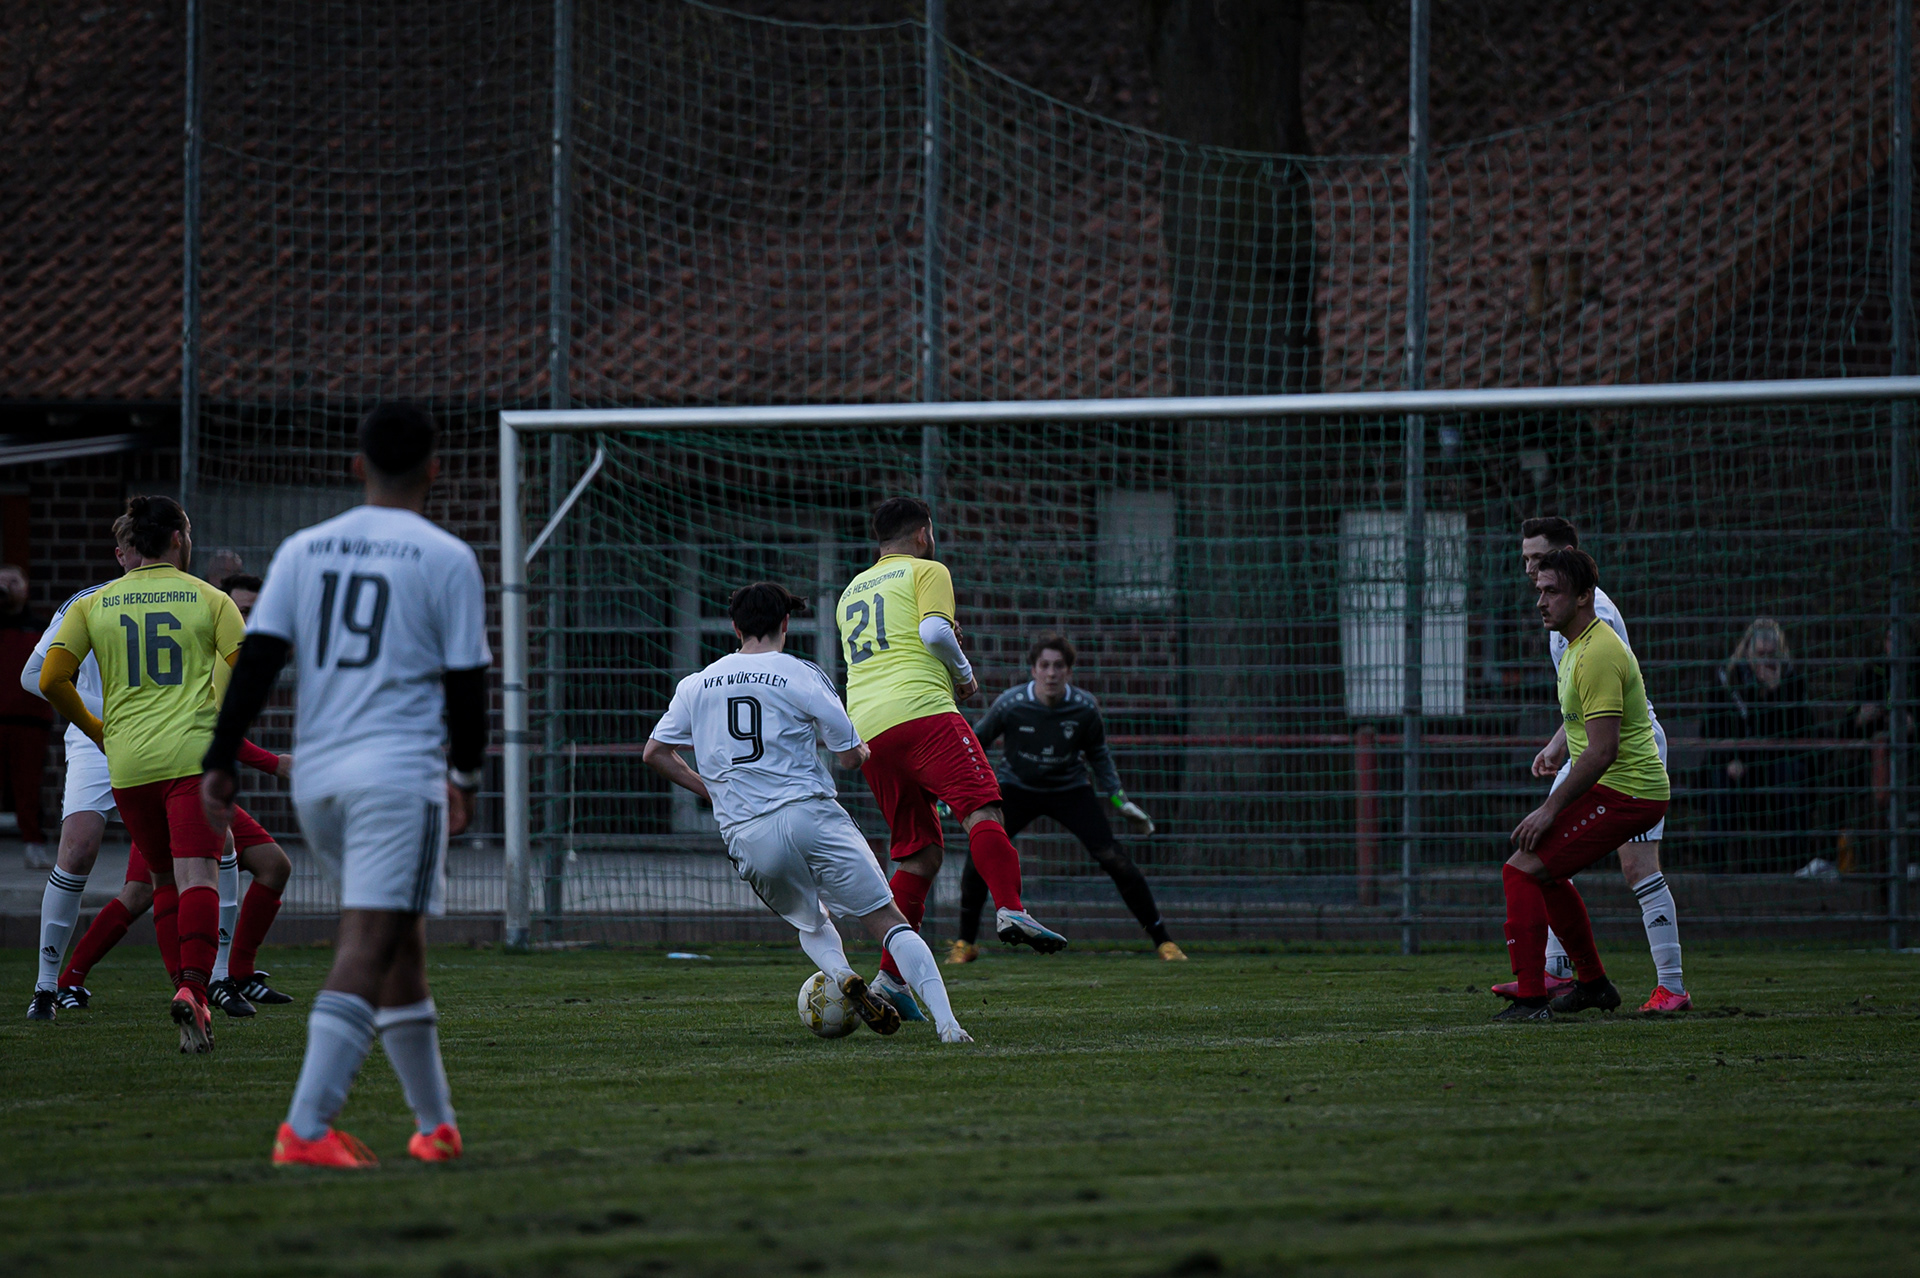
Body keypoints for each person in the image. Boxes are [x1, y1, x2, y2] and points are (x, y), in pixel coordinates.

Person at [202, 401, 489, 1170]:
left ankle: (436, 1126)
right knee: (369, 941)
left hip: (319, 778)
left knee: (401, 948)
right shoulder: (447, 556)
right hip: (394, 778)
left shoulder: (304, 548)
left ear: (358, 466)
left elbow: (259, 662)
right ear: (434, 470)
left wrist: (222, 759)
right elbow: (468, 687)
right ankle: (306, 1127)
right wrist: (464, 777)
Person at [644, 582, 971, 1044]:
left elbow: (656, 752)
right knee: (888, 921)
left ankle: (841, 974)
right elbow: (849, 756)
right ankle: (949, 1026)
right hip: (809, 814)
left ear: (735, 627)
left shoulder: (695, 684)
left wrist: (714, 792)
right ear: (785, 624)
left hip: (747, 831)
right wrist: (860, 750)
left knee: (811, 921)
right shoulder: (800, 673)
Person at [25, 524, 293, 1022]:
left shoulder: (197, 603)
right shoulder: (98, 601)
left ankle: (214, 979)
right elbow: (35, 675)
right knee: (101, 859)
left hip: (155, 749)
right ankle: (54, 983)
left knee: (189, 871)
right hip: (121, 744)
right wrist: (106, 720)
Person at [836, 496, 1066, 1022]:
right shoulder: (928, 569)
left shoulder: (851, 590)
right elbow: (934, 633)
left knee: (918, 854)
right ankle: (1011, 908)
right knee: (982, 808)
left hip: (868, 729)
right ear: (924, 534)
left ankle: (891, 979)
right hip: (923, 712)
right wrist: (964, 676)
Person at [1511, 517, 1689, 1013]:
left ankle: (1671, 985)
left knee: (1637, 867)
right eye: (1526, 560)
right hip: (1590, 747)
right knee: (1543, 856)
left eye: (1539, 559)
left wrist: (1569, 752)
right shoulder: (1557, 611)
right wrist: (1558, 744)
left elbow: (1609, 709)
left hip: (1626, 755)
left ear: (1567, 557)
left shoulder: (1596, 619)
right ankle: (1556, 970)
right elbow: (1583, 701)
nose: (1530, 570)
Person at [953, 633, 1182, 963]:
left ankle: (1164, 942)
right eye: (1044, 666)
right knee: (980, 857)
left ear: (1069, 672)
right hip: (1017, 789)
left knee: (1114, 858)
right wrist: (959, 789)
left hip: (1069, 790)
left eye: (1058, 666)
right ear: (1033, 670)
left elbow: (1099, 755)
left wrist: (1120, 800)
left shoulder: (1084, 707)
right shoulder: (1011, 704)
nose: (1051, 673)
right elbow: (974, 744)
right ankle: (965, 943)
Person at [1704, 618, 1813, 874]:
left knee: (1790, 776)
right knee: (1720, 783)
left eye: (1771, 654)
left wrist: (1775, 691)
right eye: (1760, 654)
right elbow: (1712, 728)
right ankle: (1715, 868)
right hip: (1735, 762)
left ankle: (1795, 864)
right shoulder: (1729, 678)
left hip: (1774, 761)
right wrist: (1730, 758)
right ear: (1747, 652)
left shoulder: (1791, 680)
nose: (1765, 661)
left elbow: (1797, 730)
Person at [0, 563, 54, 869]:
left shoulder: (40, 629)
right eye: (1, 582)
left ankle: (34, 844)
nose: (6, 588)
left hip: (30, 721)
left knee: (28, 787)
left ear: (25, 588)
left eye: (13, 582)